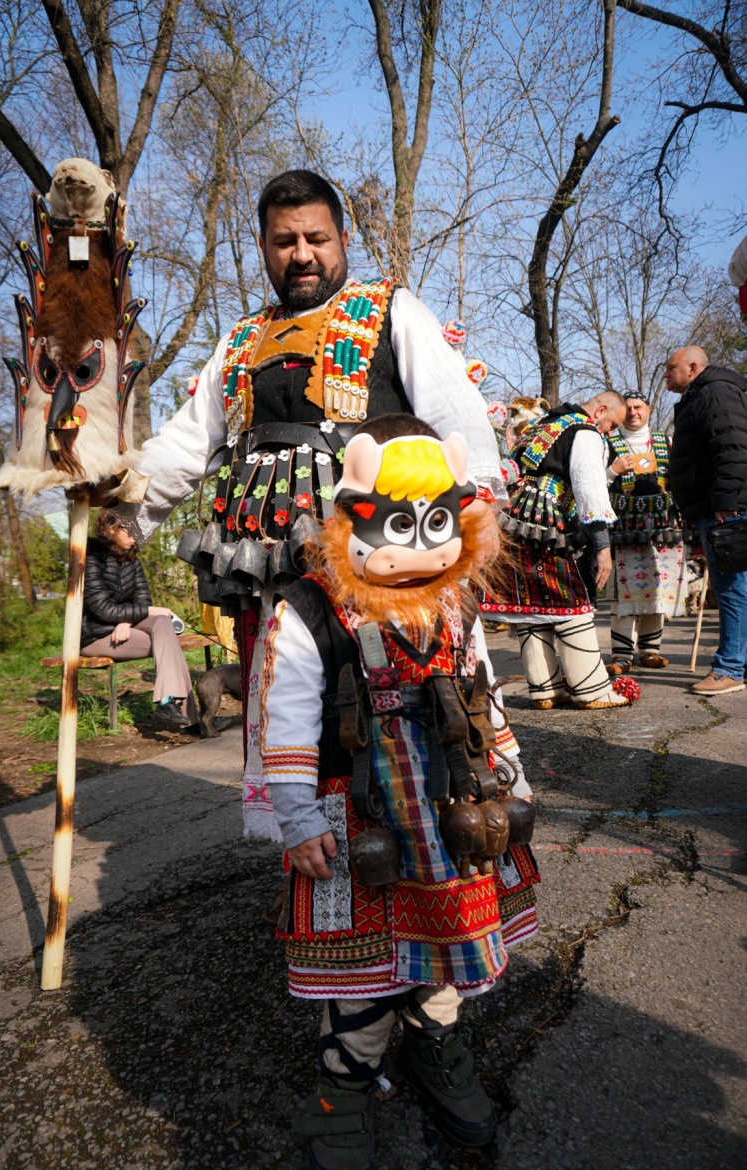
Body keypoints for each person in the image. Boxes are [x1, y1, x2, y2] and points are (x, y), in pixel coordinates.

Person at [115, 169, 504, 836]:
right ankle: (310, 850)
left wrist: (476, 509)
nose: (301, 254)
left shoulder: (393, 311)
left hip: (381, 558)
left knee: (397, 700)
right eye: (283, 240)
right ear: (263, 247)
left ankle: (426, 855)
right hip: (267, 571)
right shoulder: (239, 341)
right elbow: (188, 441)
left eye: (316, 238)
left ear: (343, 238)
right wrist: (121, 511)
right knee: (292, 705)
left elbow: (455, 414)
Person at [260, 416, 538, 1170]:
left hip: (453, 808)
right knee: (364, 963)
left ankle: (434, 1042)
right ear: (348, 514)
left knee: (446, 950)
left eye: (436, 523)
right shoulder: (310, 607)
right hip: (360, 815)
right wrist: (294, 816)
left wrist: (509, 768)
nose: (418, 548)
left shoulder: (458, 601)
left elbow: (484, 700)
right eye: (394, 524)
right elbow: (281, 715)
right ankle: (344, 1082)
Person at [481, 392, 634, 709]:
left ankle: (545, 689)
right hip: (549, 523)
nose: (608, 432)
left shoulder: (543, 424)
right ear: (601, 410)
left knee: (533, 604)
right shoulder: (584, 431)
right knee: (570, 598)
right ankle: (591, 689)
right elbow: (589, 489)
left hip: (514, 521)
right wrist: (602, 547)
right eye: (611, 425)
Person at [666, 346, 747, 695]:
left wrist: (726, 500)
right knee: (736, 588)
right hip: (714, 506)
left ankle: (730, 668)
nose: (666, 374)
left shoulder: (714, 391)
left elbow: (733, 447)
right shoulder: (701, 395)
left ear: (693, 367)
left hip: (725, 508)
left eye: (671, 368)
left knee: (731, 589)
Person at [81, 509, 198, 727]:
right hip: (96, 634)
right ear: (111, 528)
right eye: (129, 529)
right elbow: (102, 609)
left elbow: (143, 600)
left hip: (124, 628)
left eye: (137, 529)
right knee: (166, 637)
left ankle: (167, 702)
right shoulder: (91, 557)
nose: (134, 534)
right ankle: (190, 723)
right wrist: (149, 612)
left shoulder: (131, 558)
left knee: (164, 624)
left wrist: (125, 622)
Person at [605, 392, 688, 673]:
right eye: (627, 408)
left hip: (662, 528)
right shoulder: (609, 442)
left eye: (638, 407)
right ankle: (621, 656)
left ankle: (650, 651)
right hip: (623, 528)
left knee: (657, 588)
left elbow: (679, 480)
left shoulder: (665, 442)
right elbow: (593, 479)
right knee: (623, 592)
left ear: (649, 409)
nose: (632, 413)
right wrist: (613, 471)